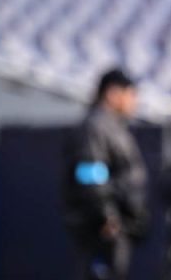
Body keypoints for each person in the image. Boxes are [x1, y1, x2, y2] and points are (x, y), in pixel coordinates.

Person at [63, 69, 148, 280]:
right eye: (130, 94)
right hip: (103, 229)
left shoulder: (114, 127)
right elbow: (89, 175)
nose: (134, 101)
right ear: (112, 93)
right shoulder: (95, 127)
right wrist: (106, 216)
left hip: (120, 227)